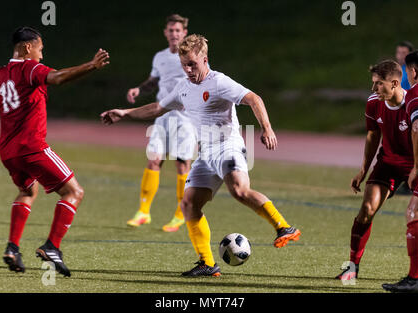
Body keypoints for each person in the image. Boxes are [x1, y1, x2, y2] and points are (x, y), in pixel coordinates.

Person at [101, 34, 301, 277]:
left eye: (192, 64)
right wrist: (124, 113)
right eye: (184, 64)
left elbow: (253, 99)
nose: (188, 69)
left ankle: (283, 227)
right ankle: (207, 263)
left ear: (204, 59)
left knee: (238, 190)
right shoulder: (183, 87)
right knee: (189, 204)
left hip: (229, 146)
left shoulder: (219, 82)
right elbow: (157, 108)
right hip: (206, 154)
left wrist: (267, 128)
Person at [0, 26, 110, 277]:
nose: (42, 54)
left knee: (27, 190)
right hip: (31, 147)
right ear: (27, 48)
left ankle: (12, 248)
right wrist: (91, 65)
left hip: (7, 151)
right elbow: (59, 77)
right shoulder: (29, 68)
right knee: (74, 192)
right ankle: (52, 247)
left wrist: (6, 95)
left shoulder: (0, 74)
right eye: (40, 49)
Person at [335, 60, 411, 281]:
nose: (373, 89)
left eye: (378, 84)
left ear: (395, 83)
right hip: (387, 163)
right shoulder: (373, 103)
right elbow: (372, 135)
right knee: (367, 209)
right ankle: (352, 268)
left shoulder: (415, 103)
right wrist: (363, 170)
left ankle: (416, 274)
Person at [125, 14, 196, 232]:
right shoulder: (160, 57)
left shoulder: (192, 56)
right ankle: (143, 212)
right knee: (153, 160)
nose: (174, 34)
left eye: (178, 30)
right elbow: (154, 80)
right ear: (166, 33)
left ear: (184, 33)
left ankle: (180, 214)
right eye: (171, 30)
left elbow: (201, 79)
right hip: (162, 116)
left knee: (182, 164)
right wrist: (139, 88)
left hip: (185, 118)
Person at [382, 49, 418, 293]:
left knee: (415, 211)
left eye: (408, 70)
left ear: (414, 71)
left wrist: (416, 167)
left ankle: (416, 279)